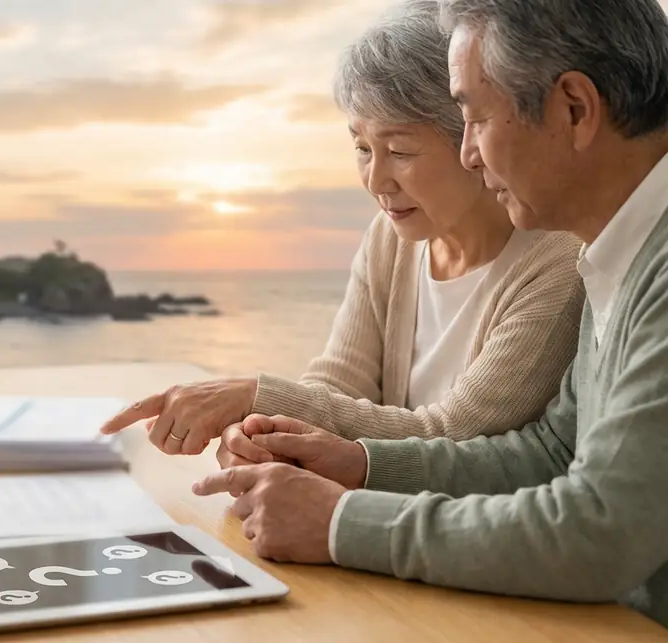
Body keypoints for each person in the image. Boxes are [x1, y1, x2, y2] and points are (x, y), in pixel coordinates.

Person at [196, 0, 668, 628]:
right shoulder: (616, 250)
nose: (469, 152)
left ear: (574, 110)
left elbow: (599, 532)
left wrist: (339, 524)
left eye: (472, 116)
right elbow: (552, 452)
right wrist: (358, 463)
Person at [99, 0, 584, 454]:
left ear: (474, 137)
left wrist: (257, 396)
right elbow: (336, 384)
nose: (376, 181)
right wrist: (263, 436)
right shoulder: (390, 237)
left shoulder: (559, 262)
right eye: (361, 147)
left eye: (400, 152)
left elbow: (450, 435)